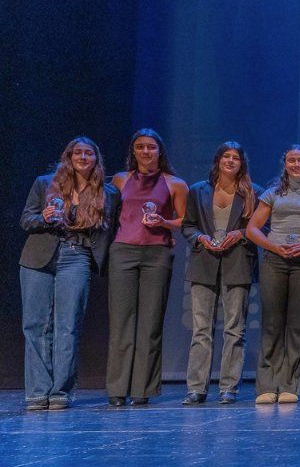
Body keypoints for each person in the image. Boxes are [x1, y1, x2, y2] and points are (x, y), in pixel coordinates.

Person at [19, 137, 119, 410]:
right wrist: (44, 218)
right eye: (78, 153)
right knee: (36, 325)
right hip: (39, 256)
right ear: (69, 156)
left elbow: (109, 231)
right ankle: (38, 392)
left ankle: (60, 391)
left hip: (76, 256)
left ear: (96, 159)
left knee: (68, 326)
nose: (83, 157)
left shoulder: (107, 192)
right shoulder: (45, 183)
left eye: (89, 153)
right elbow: (26, 219)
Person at [106, 128, 188, 407]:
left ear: (159, 151)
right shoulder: (120, 179)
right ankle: (118, 389)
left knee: (150, 323)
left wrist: (164, 223)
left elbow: (185, 220)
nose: (146, 151)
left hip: (157, 253)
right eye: (140, 146)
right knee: (121, 322)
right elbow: (111, 214)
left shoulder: (175, 183)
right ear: (133, 150)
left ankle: (142, 389)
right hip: (123, 251)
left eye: (151, 147)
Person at [179, 141, 262, 405]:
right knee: (201, 329)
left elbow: (262, 228)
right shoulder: (198, 190)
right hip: (204, 264)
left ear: (242, 163)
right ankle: (196, 388)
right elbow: (188, 225)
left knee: (234, 329)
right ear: (218, 160)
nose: (230, 161)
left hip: (238, 264)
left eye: (236, 157)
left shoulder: (253, 193)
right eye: (226, 156)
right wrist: (201, 238)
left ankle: (228, 387)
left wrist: (241, 234)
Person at [246, 145, 300, 404]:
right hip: (274, 262)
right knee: (272, 323)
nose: (296, 164)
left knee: (298, 324)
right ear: (285, 164)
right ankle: (267, 386)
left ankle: (291, 384)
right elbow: (252, 229)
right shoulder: (272, 193)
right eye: (292, 160)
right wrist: (274, 247)